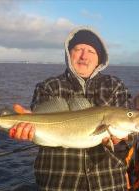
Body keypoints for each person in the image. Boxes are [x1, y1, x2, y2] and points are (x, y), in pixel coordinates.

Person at [9, 26, 131, 190]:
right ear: (69, 53)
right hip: (59, 182)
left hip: (108, 181)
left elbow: (130, 136)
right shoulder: (49, 86)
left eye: (91, 51)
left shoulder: (115, 86)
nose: (84, 56)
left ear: (99, 59)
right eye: (79, 49)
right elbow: (40, 126)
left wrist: (122, 139)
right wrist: (27, 124)